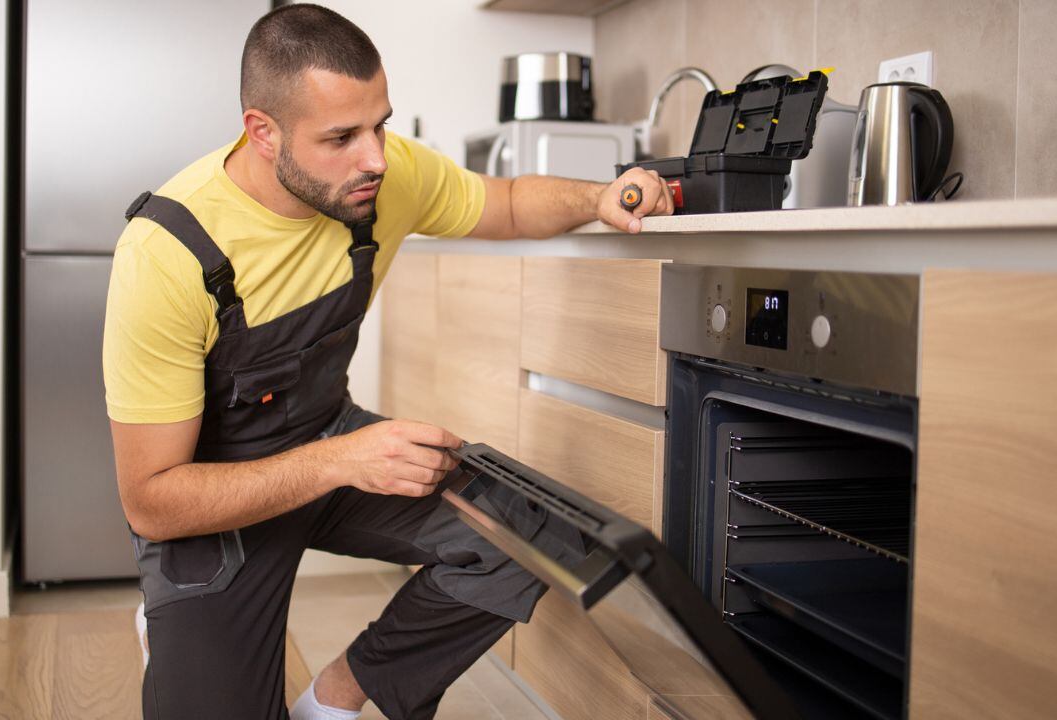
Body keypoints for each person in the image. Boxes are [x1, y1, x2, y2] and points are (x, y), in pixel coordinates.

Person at [102, 4, 673, 719]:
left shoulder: (381, 175)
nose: (374, 156)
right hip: (214, 503)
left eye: (380, 124)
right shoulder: (167, 252)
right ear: (262, 131)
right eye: (341, 136)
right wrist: (341, 462)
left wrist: (599, 197)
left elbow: (506, 204)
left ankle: (333, 702)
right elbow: (151, 501)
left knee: (526, 532)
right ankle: (179, 628)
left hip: (329, 440)